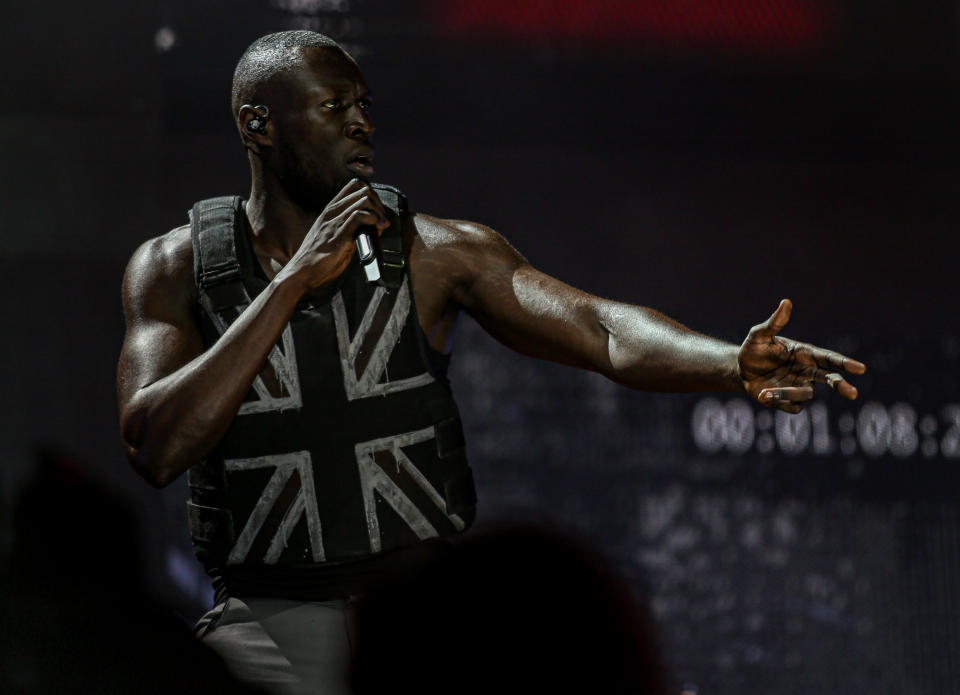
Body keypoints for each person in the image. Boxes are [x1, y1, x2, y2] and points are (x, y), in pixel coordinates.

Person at [116, 31, 865, 694]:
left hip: (426, 626)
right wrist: (290, 285)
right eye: (333, 106)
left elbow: (598, 327)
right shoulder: (176, 268)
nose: (362, 124)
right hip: (266, 625)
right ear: (259, 125)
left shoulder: (437, 252)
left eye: (365, 105)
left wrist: (730, 362)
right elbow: (154, 445)